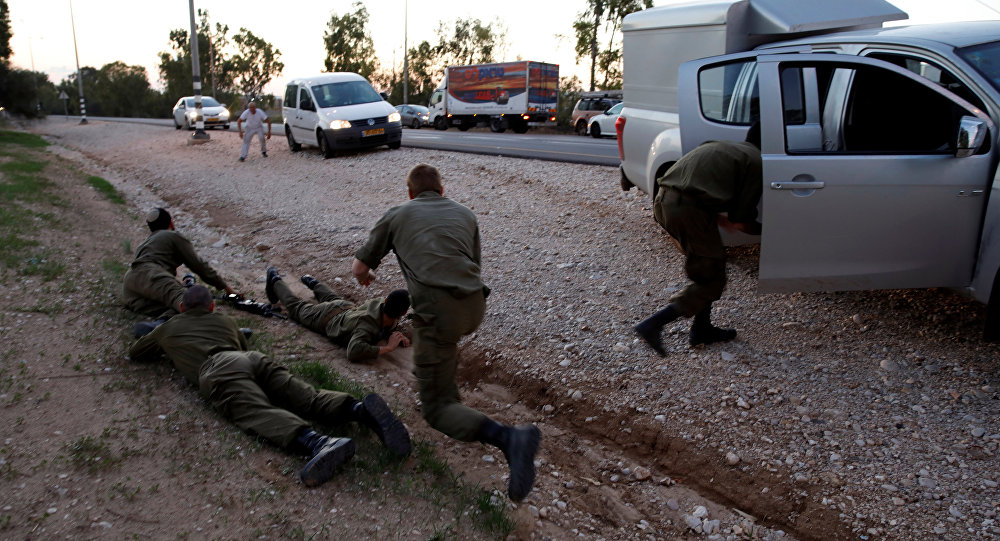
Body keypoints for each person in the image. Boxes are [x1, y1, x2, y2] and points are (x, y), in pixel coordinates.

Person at [351, 163, 541, 502]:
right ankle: (452, 398)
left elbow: (359, 268)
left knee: (435, 409)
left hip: (439, 312)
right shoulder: (465, 214)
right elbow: (473, 264)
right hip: (474, 305)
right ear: (442, 190)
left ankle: (510, 439)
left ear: (410, 193)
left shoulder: (397, 214)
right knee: (443, 350)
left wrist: (366, 277)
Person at [128, 285, 412, 487]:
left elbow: (137, 351)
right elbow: (240, 345)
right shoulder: (225, 320)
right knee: (303, 394)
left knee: (256, 411)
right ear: (212, 307)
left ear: (181, 308)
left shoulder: (168, 328)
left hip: (217, 369)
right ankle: (359, 410)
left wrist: (163, 334)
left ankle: (318, 443)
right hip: (250, 358)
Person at [634, 123, 763, 354]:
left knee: (712, 266)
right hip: (687, 211)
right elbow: (741, 221)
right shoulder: (755, 161)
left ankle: (702, 328)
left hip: (664, 201)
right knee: (711, 280)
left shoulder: (724, 147)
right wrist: (773, 231)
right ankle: (654, 324)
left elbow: (699, 185)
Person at [264, 267, 411, 363]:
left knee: (332, 298)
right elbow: (353, 351)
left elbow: (385, 324)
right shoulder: (366, 327)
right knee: (297, 308)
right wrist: (389, 348)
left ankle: (313, 282)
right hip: (326, 317)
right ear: (404, 312)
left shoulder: (379, 304)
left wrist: (394, 335)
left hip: (345, 307)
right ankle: (275, 279)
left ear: (386, 300)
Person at [123, 207, 237, 322]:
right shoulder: (172, 236)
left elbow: (147, 279)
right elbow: (199, 266)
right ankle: (218, 329)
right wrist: (228, 289)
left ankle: (161, 323)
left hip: (130, 286)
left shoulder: (144, 244)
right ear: (171, 223)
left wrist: (176, 285)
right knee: (191, 304)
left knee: (173, 306)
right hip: (151, 274)